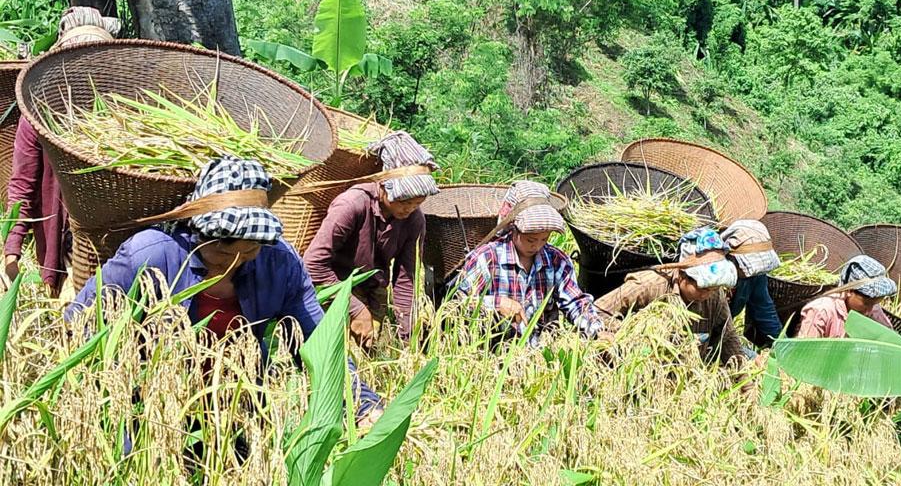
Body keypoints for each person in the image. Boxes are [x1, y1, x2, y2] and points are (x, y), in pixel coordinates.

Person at [64, 156, 384, 425]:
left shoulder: (281, 263)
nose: (233, 264)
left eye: (248, 253)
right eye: (223, 253)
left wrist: (362, 404)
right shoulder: (150, 254)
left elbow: (318, 343)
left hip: (233, 407)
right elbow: (79, 323)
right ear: (199, 232)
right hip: (148, 408)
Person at [4, 7, 122, 295]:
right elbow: (23, 185)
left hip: (115, 243)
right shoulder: (37, 116)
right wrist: (11, 250)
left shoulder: (123, 113)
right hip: (64, 245)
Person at [304, 131, 437, 347]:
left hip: (374, 289)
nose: (410, 209)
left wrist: (407, 335)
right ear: (384, 186)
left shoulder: (414, 220)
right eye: (405, 201)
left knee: (377, 352)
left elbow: (406, 279)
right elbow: (313, 265)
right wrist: (355, 309)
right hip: (334, 285)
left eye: (417, 203)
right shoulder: (352, 205)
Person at [454, 180, 609, 347]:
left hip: (538, 355)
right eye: (530, 239)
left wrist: (597, 330)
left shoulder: (556, 261)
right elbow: (458, 302)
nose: (537, 246)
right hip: (490, 352)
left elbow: (575, 302)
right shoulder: (487, 258)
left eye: (544, 239)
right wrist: (497, 304)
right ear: (513, 228)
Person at [596, 227, 747, 366]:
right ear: (682, 274)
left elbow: (727, 338)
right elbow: (597, 311)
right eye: (703, 288)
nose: (708, 294)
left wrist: (745, 383)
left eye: (714, 288)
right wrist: (632, 334)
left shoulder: (715, 297)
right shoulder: (648, 286)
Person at [796, 254, 897, 339]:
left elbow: (889, 338)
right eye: (866, 303)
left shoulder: (873, 309)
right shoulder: (822, 310)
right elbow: (805, 351)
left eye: (874, 304)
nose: (869, 310)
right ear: (849, 290)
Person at [722, 219, 783, 347]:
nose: (749, 274)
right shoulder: (711, 278)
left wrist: (782, 345)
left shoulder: (754, 277)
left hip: (724, 334)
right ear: (731, 257)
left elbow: (764, 310)